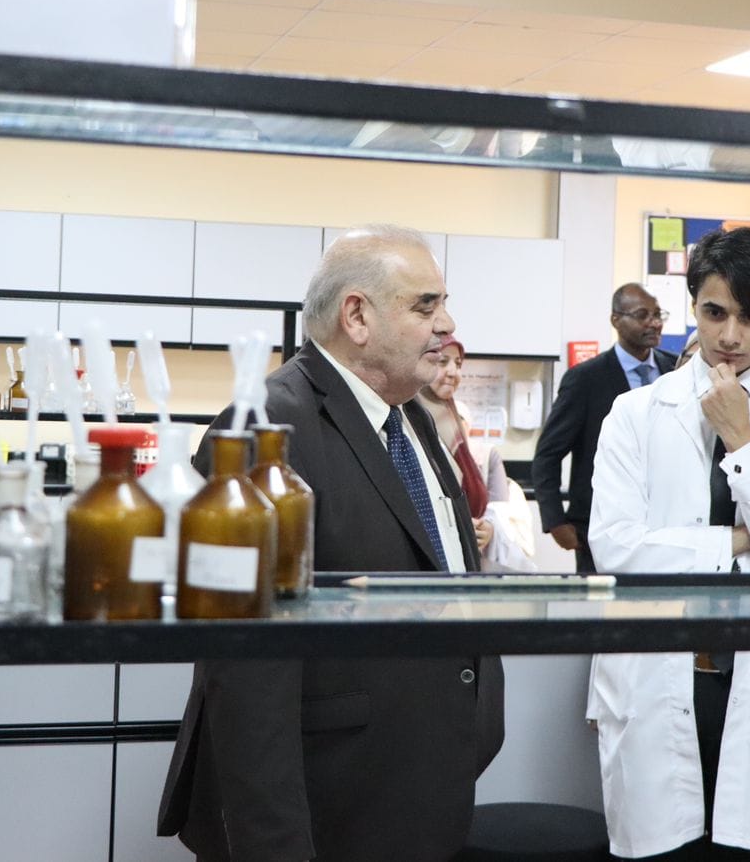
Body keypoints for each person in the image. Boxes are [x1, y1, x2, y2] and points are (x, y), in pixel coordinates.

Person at [159, 225, 505, 862]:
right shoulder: (267, 424)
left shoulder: (409, 417)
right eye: (425, 305)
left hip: (414, 791)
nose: (447, 323)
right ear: (357, 316)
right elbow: (244, 671)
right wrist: (275, 846)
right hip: (324, 808)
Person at [587, 228, 750, 860]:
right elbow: (617, 550)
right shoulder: (634, 414)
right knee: (659, 849)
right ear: (692, 307)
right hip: (658, 679)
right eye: (714, 312)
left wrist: (742, 439)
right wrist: (745, 532)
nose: (730, 335)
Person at [532, 283, 678, 572]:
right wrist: (555, 520)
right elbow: (547, 455)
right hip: (601, 527)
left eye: (658, 314)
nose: (654, 322)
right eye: (642, 315)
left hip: (669, 523)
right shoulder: (585, 379)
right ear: (616, 320)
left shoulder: (676, 370)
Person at [418, 334, 537, 571]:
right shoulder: (411, 424)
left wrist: (486, 527)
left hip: (467, 558)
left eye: (458, 364)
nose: (453, 372)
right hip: (430, 562)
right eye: (442, 362)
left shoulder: (456, 430)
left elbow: (489, 504)